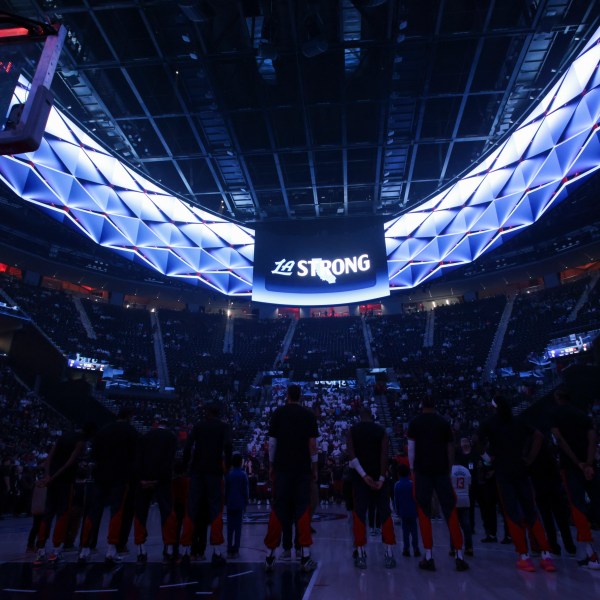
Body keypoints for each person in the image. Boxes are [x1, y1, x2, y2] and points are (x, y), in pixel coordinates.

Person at [479, 396, 556, 573]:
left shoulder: (490, 423)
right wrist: (529, 458)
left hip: (503, 472)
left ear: (494, 407)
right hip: (521, 469)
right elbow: (538, 436)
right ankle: (546, 556)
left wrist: (487, 459)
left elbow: (477, 440)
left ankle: (524, 556)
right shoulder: (519, 422)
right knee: (531, 511)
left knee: (512, 513)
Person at [407, 396, 468, 572]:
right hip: (442, 471)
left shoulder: (415, 423)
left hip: (422, 472)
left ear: (421, 406)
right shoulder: (443, 422)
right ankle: (459, 555)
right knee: (450, 511)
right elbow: (450, 447)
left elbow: (411, 449)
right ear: (435, 405)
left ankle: (428, 556)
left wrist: (412, 470)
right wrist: (448, 469)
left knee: (424, 512)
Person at [264, 384, 318, 574]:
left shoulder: (278, 413)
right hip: (302, 469)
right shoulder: (309, 415)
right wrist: (314, 466)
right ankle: (305, 557)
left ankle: (270, 556)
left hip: (282, 468)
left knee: (279, 508)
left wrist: (271, 465)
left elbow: (272, 443)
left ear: (287, 395)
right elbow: (312, 444)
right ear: (300, 396)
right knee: (303, 510)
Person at [78, 409, 138, 564]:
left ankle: (84, 549)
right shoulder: (131, 431)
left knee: (93, 511)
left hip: (100, 476)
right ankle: (112, 549)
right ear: (129, 417)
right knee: (116, 512)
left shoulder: (103, 431)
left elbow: (94, 455)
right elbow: (135, 457)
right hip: (120, 477)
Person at [551, 387, 600, 569]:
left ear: (557, 397)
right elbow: (593, 437)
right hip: (590, 465)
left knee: (578, 507)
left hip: (571, 467)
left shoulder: (555, 414)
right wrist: (588, 462)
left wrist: (578, 463)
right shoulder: (583, 415)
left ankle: (592, 555)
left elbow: (560, 440)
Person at [33, 423, 95, 565]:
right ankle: (55, 551)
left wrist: (47, 476)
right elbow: (69, 464)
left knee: (47, 514)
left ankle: (40, 550)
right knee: (62, 514)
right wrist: (53, 477)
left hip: (52, 479)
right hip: (65, 481)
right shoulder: (80, 442)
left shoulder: (64, 436)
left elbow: (49, 457)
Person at [180, 402, 232, 565]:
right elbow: (228, 446)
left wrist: (185, 465)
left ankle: (186, 551)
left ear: (206, 412)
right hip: (214, 471)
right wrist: (227, 467)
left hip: (197, 471)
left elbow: (188, 447)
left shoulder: (198, 426)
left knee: (192, 509)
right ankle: (217, 551)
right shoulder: (224, 427)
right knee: (215, 511)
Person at [347, 407, 396, 569]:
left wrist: (364, 476)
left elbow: (352, 456)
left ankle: (361, 555)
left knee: (360, 514)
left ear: (360, 416)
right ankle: (389, 554)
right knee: (385, 513)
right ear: (372, 415)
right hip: (379, 478)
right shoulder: (381, 430)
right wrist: (381, 478)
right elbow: (384, 455)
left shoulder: (352, 431)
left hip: (360, 479)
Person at [133, 419, 178, 562]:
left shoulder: (145, 436)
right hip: (162, 480)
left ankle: (141, 548)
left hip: (144, 480)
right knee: (167, 512)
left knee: (141, 513)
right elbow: (169, 461)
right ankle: (169, 548)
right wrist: (159, 479)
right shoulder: (171, 437)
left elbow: (138, 459)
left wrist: (141, 479)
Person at [224, 452, 249, 558]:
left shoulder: (229, 474)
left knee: (230, 527)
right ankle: (236, 547)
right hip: (239, 504)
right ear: (240, 462)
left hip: (230, 503)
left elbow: (226, 489)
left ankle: (229, 547)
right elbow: (245, 490)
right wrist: (246, 501)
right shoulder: (243, 474)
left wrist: (226, 501)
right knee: (238, 528)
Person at [393, 463, 420, 558]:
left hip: (403, 512)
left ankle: (406, 549)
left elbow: (396, 500)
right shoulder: (412, 484)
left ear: (398, 474)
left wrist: (397, 511)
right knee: (414, 530)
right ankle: (416, 549)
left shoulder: (397, 485)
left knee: (405, 531)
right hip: (413, 511)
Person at [450, 462, 473, 556]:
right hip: (465, 499)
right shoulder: (466, 470)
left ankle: (453, 548)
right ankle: (469, 548)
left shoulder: (451, 471)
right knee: (466, 526)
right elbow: (469, 485)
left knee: (453, 525)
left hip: (454, 500)